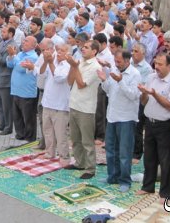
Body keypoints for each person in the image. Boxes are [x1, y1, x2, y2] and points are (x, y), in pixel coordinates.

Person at [137, 53, 170, 202]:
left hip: (165, 125)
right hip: (150, 122)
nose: (157, 67)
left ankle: (165, 193)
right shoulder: (151, 77)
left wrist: (155, 94)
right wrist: (144, 94)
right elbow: (144, 102)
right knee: (149, 157)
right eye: (156, 64)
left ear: (169, 66)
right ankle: (147, 186)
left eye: (160, 64)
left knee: (165, 160)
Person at [98, 50, 141, 192]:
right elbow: (109, 91)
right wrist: (104, 80)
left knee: (124, 152)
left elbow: (133, 95)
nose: (116, 64)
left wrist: (121, 81)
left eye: (119, 61)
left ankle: (125, 180)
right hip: (112, 116)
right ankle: (112, 176)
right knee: (111, 149)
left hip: (126, 118)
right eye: (115, 61)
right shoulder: (114, 70)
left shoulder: (134, 74)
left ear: (128, 61)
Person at [65, 40, 101, 179]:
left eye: (86, 47)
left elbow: (81, 84)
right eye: (83, 47)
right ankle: (79, 162)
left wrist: (75, 67)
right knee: (75, 138)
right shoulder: (79, 61)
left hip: (86, 108)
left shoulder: (95, 66)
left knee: (87, 140)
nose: (83, 49)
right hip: (74, 103)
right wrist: (72, 67)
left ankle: (90, 168)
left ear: (94, 51)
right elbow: (70, 81)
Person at [41, 43, 71, 166]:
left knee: (61, 133)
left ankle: (64, 156)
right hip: (47, 101)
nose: (59, 53)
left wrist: (51, 63)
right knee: (47, 130)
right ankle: (50, 152)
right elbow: (41, 73)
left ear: (68, 54)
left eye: (62, 51)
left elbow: (59, 78)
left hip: (60, 105)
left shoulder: (68, 66)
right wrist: (45, 62)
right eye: (58, 50)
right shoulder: (51, 61)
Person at [6, 36, 39, 142]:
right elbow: (10, 64)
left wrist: (13, 55)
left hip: (27, 92)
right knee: (17, 116)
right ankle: (20, 135)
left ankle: (30, 138)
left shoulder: (33, 56)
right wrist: (11, 56)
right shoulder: (20, 54)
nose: (23, 42)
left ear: (33, 45)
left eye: (26, 41)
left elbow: (20, 68)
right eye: (23, 40)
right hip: (16, 90)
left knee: (28, 118)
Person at [0, 26, 15, 134]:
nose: (2, 33)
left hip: (6, 79)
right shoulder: (1, 43)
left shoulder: (12, 45)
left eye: (4, 32)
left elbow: (3, 61)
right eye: (1, 31)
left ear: (11, 34)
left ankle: (8, 127)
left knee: (7, 106)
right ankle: (1, 123)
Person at [131, 42, 153, 163]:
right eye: (132, 51)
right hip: (128, 99)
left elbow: (142, 86)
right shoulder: (129, 63)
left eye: (136, 51)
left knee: (137, 127)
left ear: (143, 54)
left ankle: (137, 153)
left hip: (139, 100)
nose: (133, 54)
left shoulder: (146, 69)